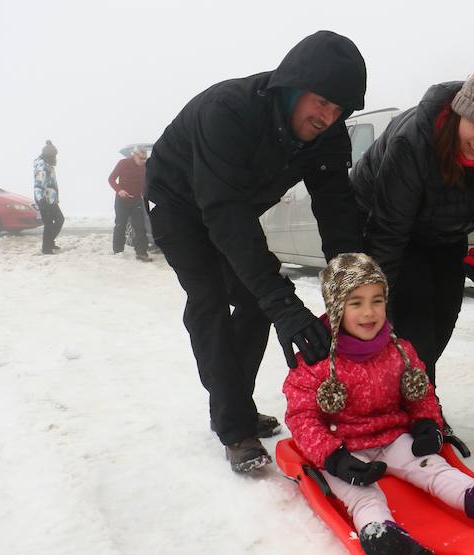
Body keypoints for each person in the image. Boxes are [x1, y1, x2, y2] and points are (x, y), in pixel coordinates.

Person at [145, 31, 367, 473]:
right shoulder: (228, 112)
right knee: (209, 299)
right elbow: (224, 215)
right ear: (293, 86)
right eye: (321, 101)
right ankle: (234, 426)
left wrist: (353, 291)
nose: (327, 116)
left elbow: (337, 210)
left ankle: (235, 403)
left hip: (234, 207)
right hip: (177, 204)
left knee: (252, 301)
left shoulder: (328, 136)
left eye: (338, 108)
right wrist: (285, 303)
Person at [284, 253, 474, 555]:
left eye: (377, 300)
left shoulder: (399, 350)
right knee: (363, 496)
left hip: (394, 438)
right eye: (356, 303)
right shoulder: (317, 361)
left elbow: (420, 394)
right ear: (337, 308)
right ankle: (384, 538)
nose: (369, 312)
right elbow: (302, 417)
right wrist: (333, 458)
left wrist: (426, 424)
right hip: (344, 448)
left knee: (436, 470)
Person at [351, 48, 474, 387]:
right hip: (387, 225)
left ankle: (412, 391)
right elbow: (388, 233)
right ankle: (422, 409)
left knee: (444, 316)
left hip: (444, 233)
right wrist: (375, 307)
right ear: (460, 112)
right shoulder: (414, 142)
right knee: (414, 315)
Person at [108, 146, 151, 261]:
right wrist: (119, 190)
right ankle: (118, 251)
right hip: (122, 200)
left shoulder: (145, 167)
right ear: (134, 155)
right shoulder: (123, 163)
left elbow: (147, 181)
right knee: (120, 225)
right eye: (141, 158)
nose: (143, 161)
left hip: (136, 200)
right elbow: (111, 179)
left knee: (140, 227)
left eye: (145, 158)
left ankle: (141, 253)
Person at [33, 140, 64, 254]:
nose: (55, 157)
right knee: (49, 223)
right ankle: (46, 248)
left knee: (59, 220)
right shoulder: (42, 165)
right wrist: (41, 200)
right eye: (54, 155)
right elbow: (38, 184)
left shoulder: (48, 165)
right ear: (49, 155)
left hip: (51, 199)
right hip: (44, 200)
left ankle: (49, 243)